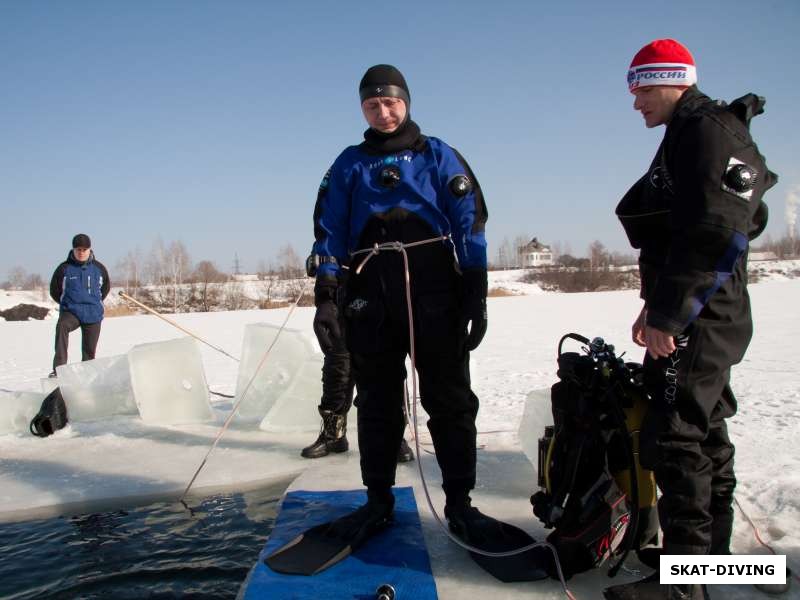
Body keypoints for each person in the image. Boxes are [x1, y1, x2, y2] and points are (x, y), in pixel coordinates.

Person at [605, 40, 776, 600]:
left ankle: (682, 585)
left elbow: (716, 232)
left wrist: (672, 315)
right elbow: (687, 233)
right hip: (702, 309)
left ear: (671, 81)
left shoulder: (706, 131)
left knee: (678, 437)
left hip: (703, 313)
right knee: (705, 431)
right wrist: (655, 306)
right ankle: (705, 566)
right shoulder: (689, 132)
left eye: (642, 90)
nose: (635, 104)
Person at [310, 64, 489, 539]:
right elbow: (329, 229)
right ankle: (378, 500)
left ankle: (461, 504)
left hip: (433, 287)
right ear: (362, 108)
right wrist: (327, 296)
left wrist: (476, 287)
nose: (383, 112)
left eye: (391, 102)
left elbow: (469, 218)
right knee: (375, 401)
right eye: (372, 104)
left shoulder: (438, 154)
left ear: (406, 101)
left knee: (449, 400)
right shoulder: (348, 163)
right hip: (371, 291)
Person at [299, 262, 414, 463]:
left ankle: (393, 435)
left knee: (385, 362)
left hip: (383, 284)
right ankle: (334, 435)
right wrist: (325, 295)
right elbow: (328, 240)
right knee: (338, 364)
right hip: (342, 286)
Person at [49, 234, 111, 376]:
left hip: (93, 313)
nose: (81, 252)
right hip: (72, 312)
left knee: (89, 352)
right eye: (78, 249)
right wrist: (68, 303)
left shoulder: (99, 268)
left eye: (84, 249)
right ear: (73, 250)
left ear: (90, 250)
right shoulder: (64, 268)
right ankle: (59, 370)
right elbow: (55, 290)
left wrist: (95, 302)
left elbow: (105, 288)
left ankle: (86, 376)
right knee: (62, 326)